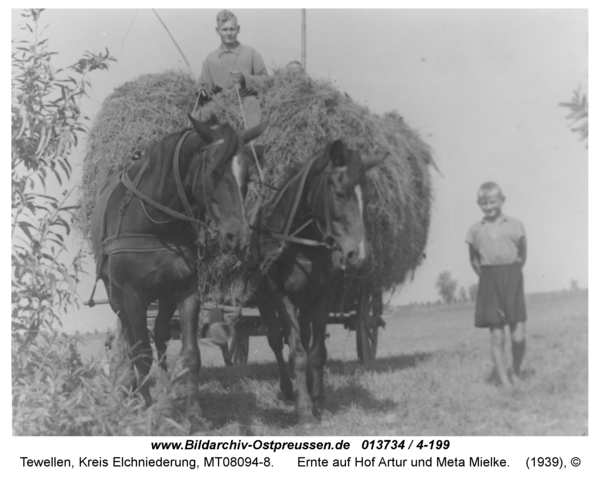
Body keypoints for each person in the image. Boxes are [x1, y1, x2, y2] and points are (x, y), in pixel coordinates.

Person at [466, 182, 527, 390]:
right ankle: (505, 382)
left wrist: (513, 273)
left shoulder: (516, 225)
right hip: (489, 281)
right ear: (479, 204)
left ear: (502, 200)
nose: (489, 206)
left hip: (512, 277)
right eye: (484, 203)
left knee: (518, 336)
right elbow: (474, 260)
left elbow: (523, 254)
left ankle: (516, 371)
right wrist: (487, 279)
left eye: (492, 201)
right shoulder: (475, 230)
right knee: (497, 335)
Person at [196, 9, 267, 128]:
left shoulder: (251, 53)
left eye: (232, 29)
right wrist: (202, 91)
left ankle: (253, 144)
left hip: (246, 102)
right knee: (196, 120)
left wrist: (244, 78)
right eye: (224, 29)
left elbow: (266, 81)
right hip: (219, 103)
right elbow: (205, 86)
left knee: (252, 119)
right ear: (217, 31)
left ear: (238, 29)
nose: (229, 33)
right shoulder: (210, 59)